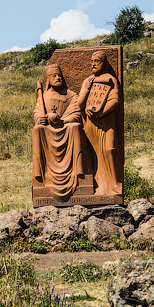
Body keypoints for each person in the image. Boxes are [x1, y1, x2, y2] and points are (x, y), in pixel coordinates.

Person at [31, 64, 88, 199]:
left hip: (66, 128)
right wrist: (43, 119)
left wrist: (62, 121)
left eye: (59, 76)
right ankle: (40, 177)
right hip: (48, 131)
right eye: (54, 76)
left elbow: (76, 114)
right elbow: (37, 113)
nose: (58, 78)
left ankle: (80, 175)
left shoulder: (70, 96)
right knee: (37, 129)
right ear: (48, 80)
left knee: (75, 127)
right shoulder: (43, 97)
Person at [75, 50, 122, 195]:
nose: (93, 64)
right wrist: (85, 89)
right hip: (90, 123)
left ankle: (116, 183)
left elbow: (115, 100)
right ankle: (96, 186)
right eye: (92, 61)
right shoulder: (88, 81)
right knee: (92, 154)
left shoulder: (111, 80)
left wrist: (101, 112)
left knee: (110, 149)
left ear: (104, 63)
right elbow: (79, 105)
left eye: (97, 61)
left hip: (106, 122)